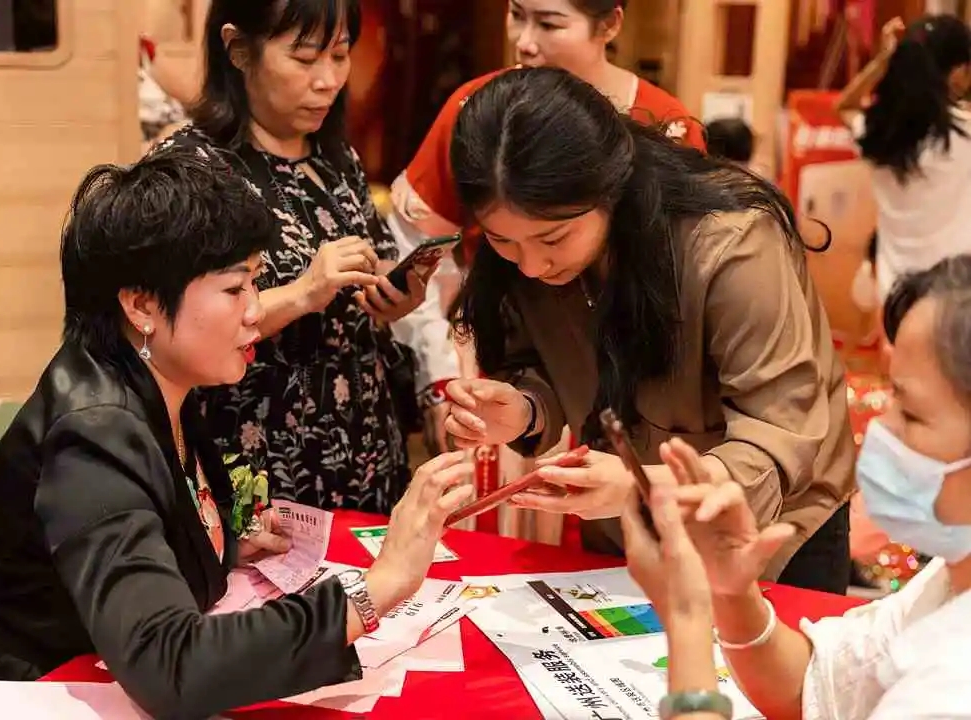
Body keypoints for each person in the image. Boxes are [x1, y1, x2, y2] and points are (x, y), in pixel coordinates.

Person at [0, 146, 474, 720]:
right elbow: (169, 667)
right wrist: (377, 589)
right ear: (141, 304)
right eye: (235, 289)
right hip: (21, 696)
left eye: (256, 283)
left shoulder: (161, 379)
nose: (256, 310)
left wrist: (221, 539)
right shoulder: (93, 434)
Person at [442, 67, 855, 593]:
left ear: (609, 189)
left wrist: (643, 487)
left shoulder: (731, 245)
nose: (531, 266)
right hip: (625, 519)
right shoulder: (529, 254)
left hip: (771, 529)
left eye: (554, 238)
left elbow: (778, 436)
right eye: (503, 241)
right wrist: (526, 409)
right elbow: (544, 361)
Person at [626, 255, 971, 720]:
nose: (880, 429)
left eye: (910, 414)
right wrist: (732, 592)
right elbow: (819, 687)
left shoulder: (951, 687)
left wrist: (686, 615)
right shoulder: (946, 582)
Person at [389, 0, 707, 452]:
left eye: (550, 23)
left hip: (636, 381)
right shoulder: (478, 113)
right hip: (506, 371)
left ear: (610, 24)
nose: (524, 42)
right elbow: (419, 253)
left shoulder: (664, 124)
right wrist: (439, 377)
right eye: (516, 15)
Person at [163, 0, 425, 514]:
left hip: (366, 458)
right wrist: (304, 292)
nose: (328, 80)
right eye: (305, 59)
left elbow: (370, 274)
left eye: (340, 55)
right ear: (239, 50)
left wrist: (393, 293)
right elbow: (178, 329)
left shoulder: (337, 159)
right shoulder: (190, 170)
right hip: (258, 471)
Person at [834, 15, 971, 307]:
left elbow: (844, 105)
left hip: (895, 298)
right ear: (958, 72)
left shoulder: (881, 132)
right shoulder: (965, 132)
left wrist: (884, 59)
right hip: (955, 300)